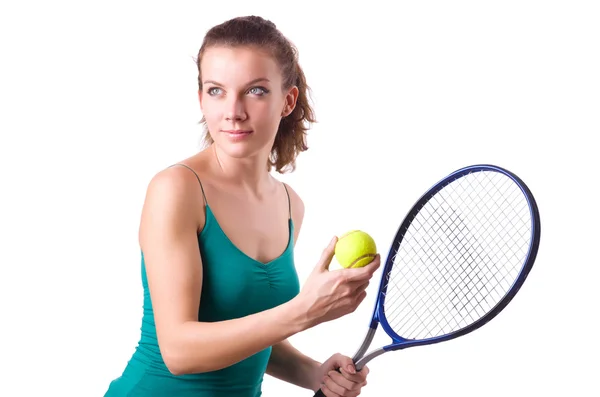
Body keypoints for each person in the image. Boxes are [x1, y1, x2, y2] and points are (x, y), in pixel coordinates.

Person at [104, 15, 380, 397]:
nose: (232, 110)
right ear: (200, 96)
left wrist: (315, 374)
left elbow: (248, 335)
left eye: (255, 91)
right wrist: (302, 311)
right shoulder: (177, 190)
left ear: (287, 100)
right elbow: (179, 351)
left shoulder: (289, 206)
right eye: (216, 90)